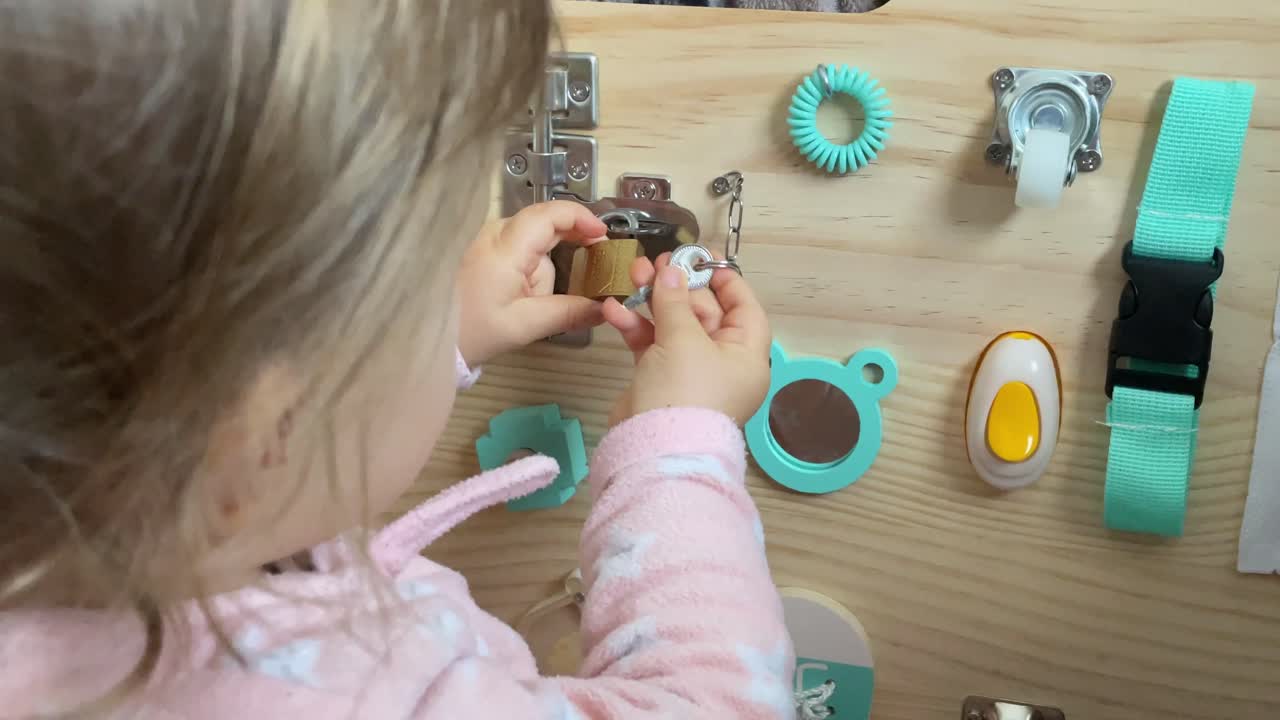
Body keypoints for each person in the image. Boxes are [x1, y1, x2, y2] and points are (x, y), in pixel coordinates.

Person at [0, 1, 794, 717]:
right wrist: (678, 451)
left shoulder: (73, 533)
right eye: (431, 272)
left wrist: (436, 336)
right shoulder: (389, 696)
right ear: (264, 432)